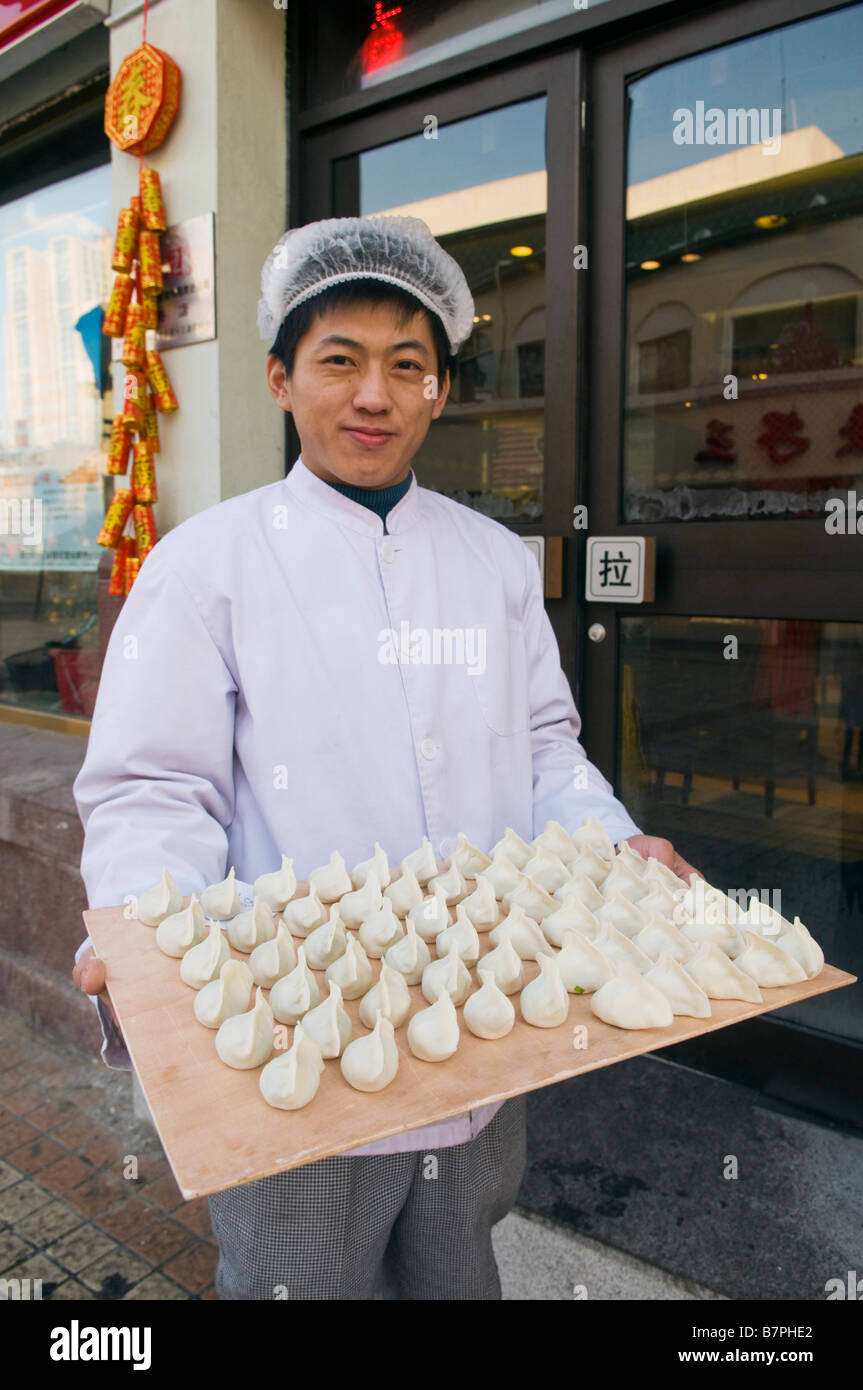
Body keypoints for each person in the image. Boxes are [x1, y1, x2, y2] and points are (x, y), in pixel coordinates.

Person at [72, 215, 700, 1300]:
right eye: (339, 361)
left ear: (439, 390)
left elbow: (546, 743)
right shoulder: (207, 567)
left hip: (476, 1031)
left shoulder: (491, 561)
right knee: (301, 1278)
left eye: (406, 366)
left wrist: (609, 845)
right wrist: (146, 934)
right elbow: (153, 787)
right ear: (278, 378)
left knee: (458, 1267)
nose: (374, 395)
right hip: (297, 1048)